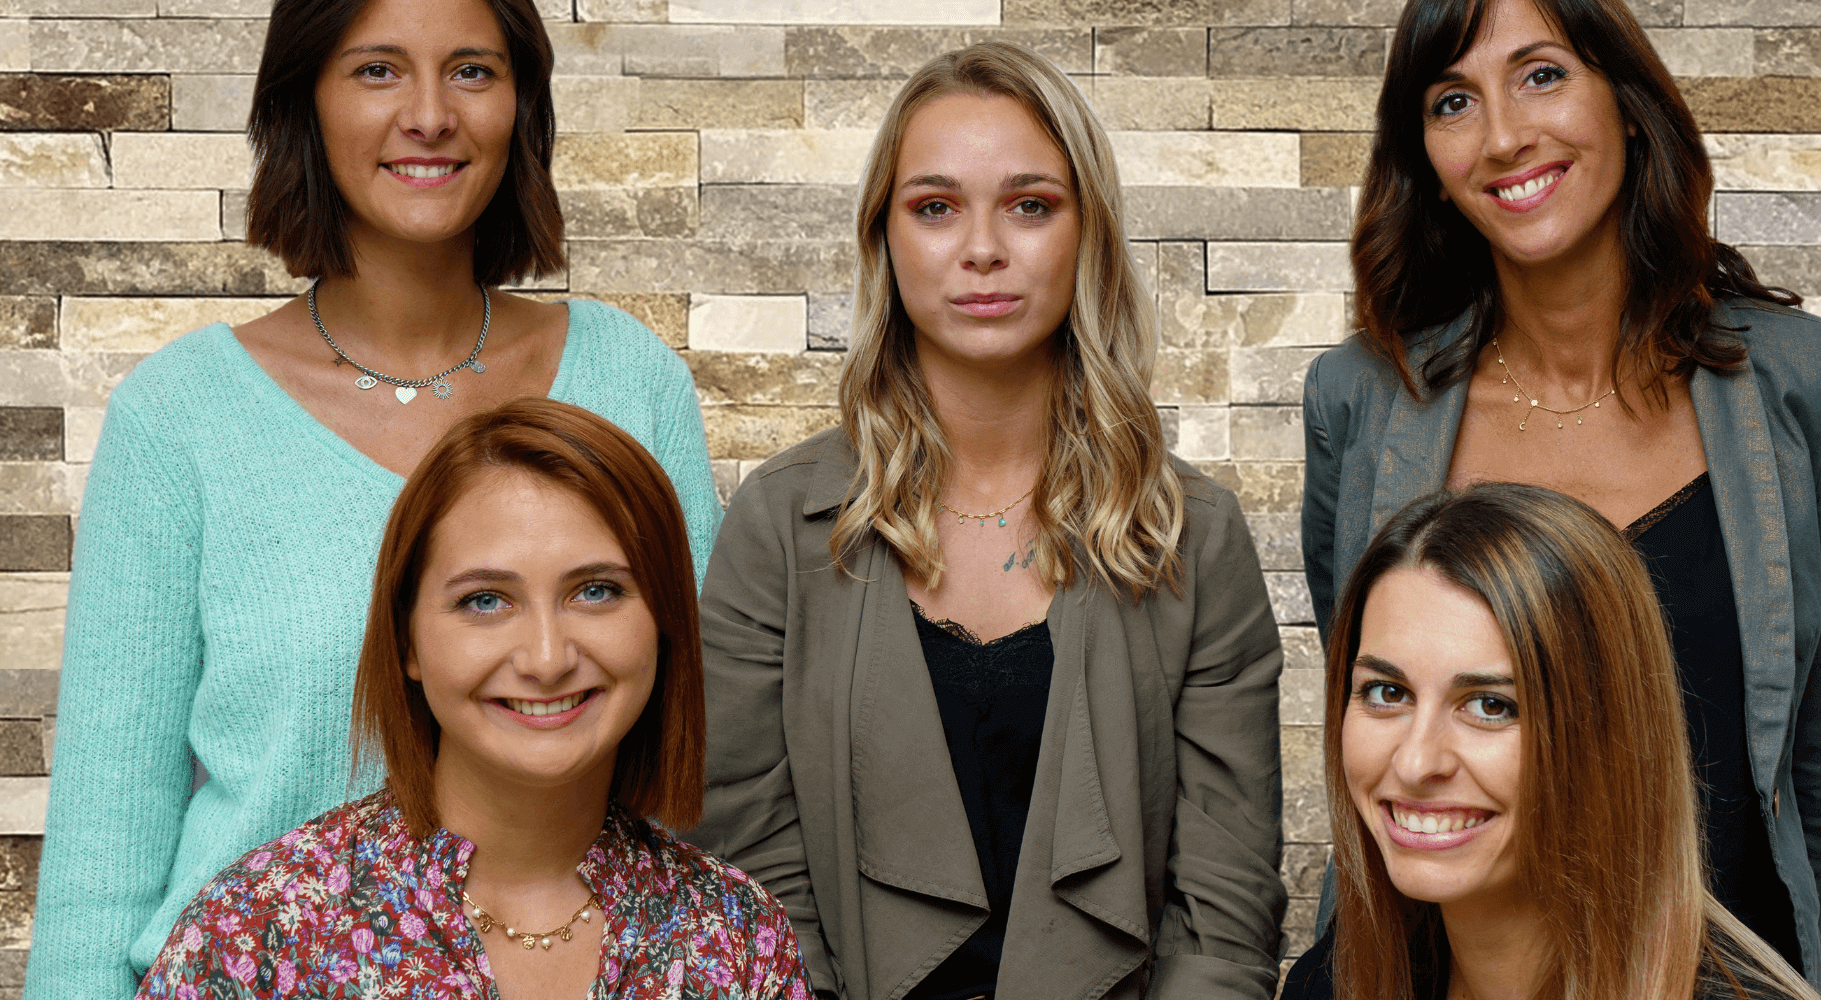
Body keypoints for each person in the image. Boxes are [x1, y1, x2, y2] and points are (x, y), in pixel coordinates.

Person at [26, 0, 720, 994]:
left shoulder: (630, 383)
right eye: (377, 70)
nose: (430, 115)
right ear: (303, 101)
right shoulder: (177, 420)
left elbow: (693, 761)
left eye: (472, 70)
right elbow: (103, 855)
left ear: (522, 105)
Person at [1299, 0, 1821, 991]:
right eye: (1452, 100)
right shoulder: (1362, 397)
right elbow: (1387, 705)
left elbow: (1816, 767)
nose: (1503, 136)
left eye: (1542, 75)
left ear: (1628, 102)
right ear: (1425, 158)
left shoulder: (1809, 384)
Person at [689, 40, 1283, 1000]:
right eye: (935, 207)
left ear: (1088, 232)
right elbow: (749, 875)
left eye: (1030, 205)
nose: (981, 249)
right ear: (884, 237)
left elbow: (1222, 910)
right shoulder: (779, 524)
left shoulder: (1194, 536)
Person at [133, 399, 807, 1000]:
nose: (547, 658)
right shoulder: (258, 930)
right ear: (407, 641)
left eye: (596, 591)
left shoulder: (741, 938)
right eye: (485, 601)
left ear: (663, 622)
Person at [1282, 484, 1821, 1000]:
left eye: (1490, 705)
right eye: (1387, 692)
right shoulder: (1329, 983)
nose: (1416, 761)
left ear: (1611, 734)